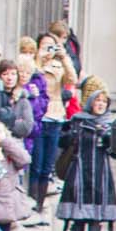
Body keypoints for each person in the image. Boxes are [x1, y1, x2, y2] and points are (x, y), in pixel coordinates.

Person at [56, 80, 116, 231]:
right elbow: (62, 142)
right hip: (79, 173)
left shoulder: (110, 124)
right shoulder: (77, 120)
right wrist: (71, 135)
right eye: (97, 100)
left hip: (100, 175)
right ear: (90, 102)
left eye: (103, 101)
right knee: (80, 219)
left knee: (95, 220)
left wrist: (107, 137)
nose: (100, 104)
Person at [29, 47, 77, 212]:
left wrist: (65, 59)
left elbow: (72, 79)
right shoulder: (38, 65)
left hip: (55, 115)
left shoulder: (59, 66)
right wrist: (40, 58)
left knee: (48, 164)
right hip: (40, 115)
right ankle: (32, 202)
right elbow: (30, 76)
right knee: (36, 163)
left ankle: (39, 204)